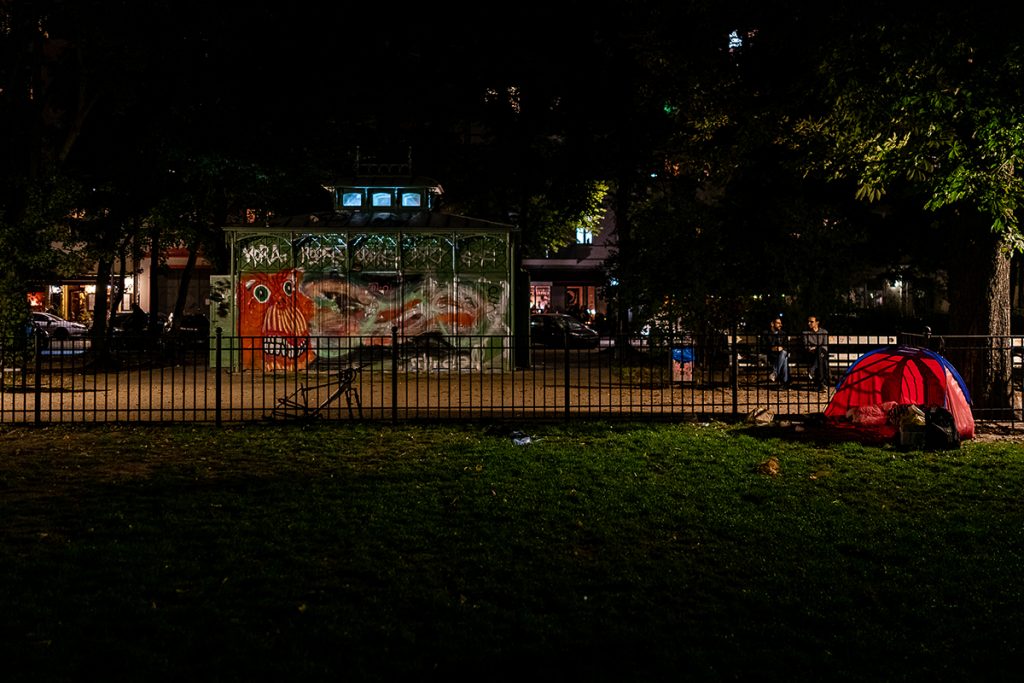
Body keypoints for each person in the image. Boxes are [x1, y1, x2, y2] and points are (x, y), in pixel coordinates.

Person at [802, 316, 831, 390]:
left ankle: (812, 371)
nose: (809, 323)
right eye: (808, 322)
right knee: (821, 359)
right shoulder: (805, 333)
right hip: (812, 354)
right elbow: (806, 346)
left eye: (811, 322)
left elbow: (825, 346)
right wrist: (815, 349)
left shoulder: (824, 332)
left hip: (823, 352)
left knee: (820, 351)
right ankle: (822, 382)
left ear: (817, 322)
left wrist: (817, 348)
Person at [761, 316, 790, 386]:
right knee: (784, 359)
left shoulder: (783, 333)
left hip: (781, 354)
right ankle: (784, 383)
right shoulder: (766, 333)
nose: (781, 325)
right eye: (778, 323)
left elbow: (787, 347)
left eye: (781, 323)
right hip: (771, 355)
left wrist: (781, 348)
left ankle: (774, 373)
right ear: (772, 324)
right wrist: (771, 348)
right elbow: (762, 347)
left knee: (783, 354)